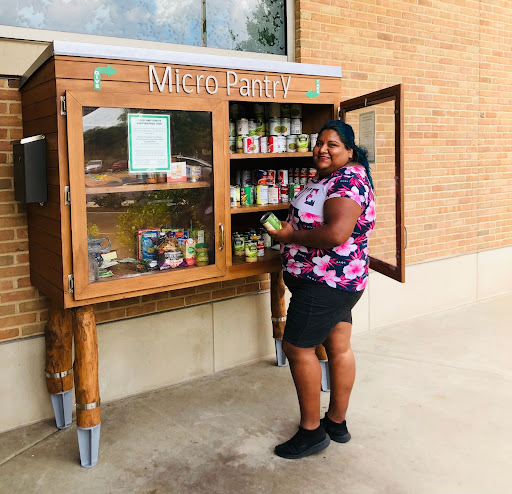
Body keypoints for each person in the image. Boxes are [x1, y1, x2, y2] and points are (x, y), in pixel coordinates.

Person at [268, 120, 376, 459]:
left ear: (349, 150)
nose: (323, 149)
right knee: (339, 347)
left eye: (333, 144)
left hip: (326, 282)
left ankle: (311, 432)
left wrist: (289, 237)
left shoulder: (347, 181)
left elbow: (334, 234)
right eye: (319, 143)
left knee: (297, 347)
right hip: (333, 281)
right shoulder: (328, 177)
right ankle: (336, 423)